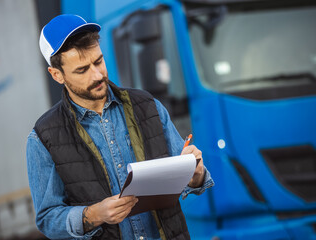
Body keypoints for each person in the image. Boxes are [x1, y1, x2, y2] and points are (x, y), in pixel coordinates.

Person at [26, 14, 214, 240]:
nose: (97, 75)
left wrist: (195, 173)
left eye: (98, 61)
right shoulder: (43, 138)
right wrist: (93, 214)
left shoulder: (147, 106)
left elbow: (189, 181)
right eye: (82, 70)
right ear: (57, 75)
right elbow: (47, 219)